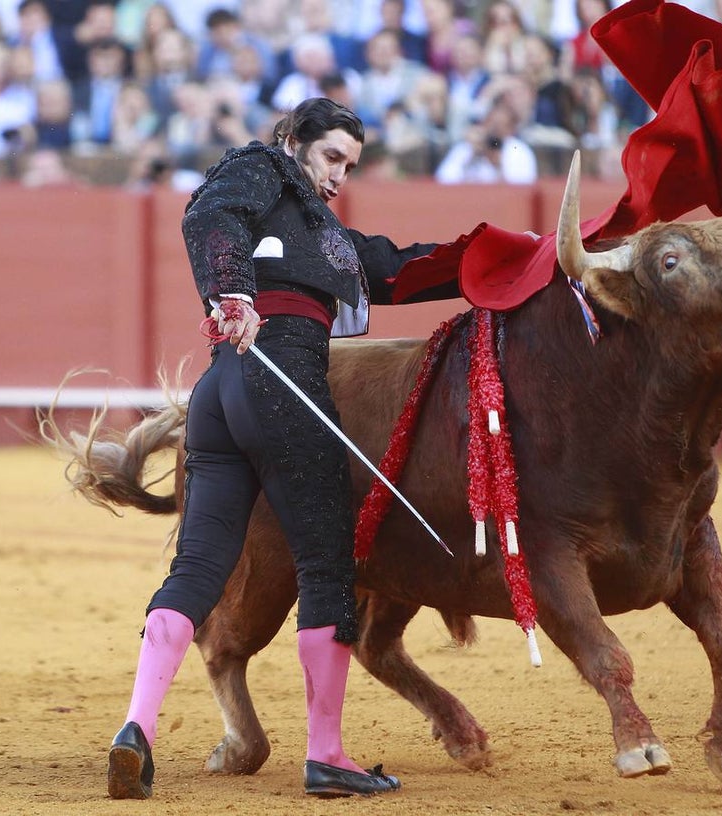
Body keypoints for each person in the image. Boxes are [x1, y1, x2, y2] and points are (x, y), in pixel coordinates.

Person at [106, 97, 451, 800]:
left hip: (220, 400)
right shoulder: (262, 168)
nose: (336, 177)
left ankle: (135, 729)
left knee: (198, 569)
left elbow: (402, 269)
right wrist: (232, 294)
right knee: (326, 565)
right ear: (294, 141)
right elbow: (209, 214)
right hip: (282, 384)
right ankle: (326, 755)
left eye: (349, 166)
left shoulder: (328, 235)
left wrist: (516, 258)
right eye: (330, 158)